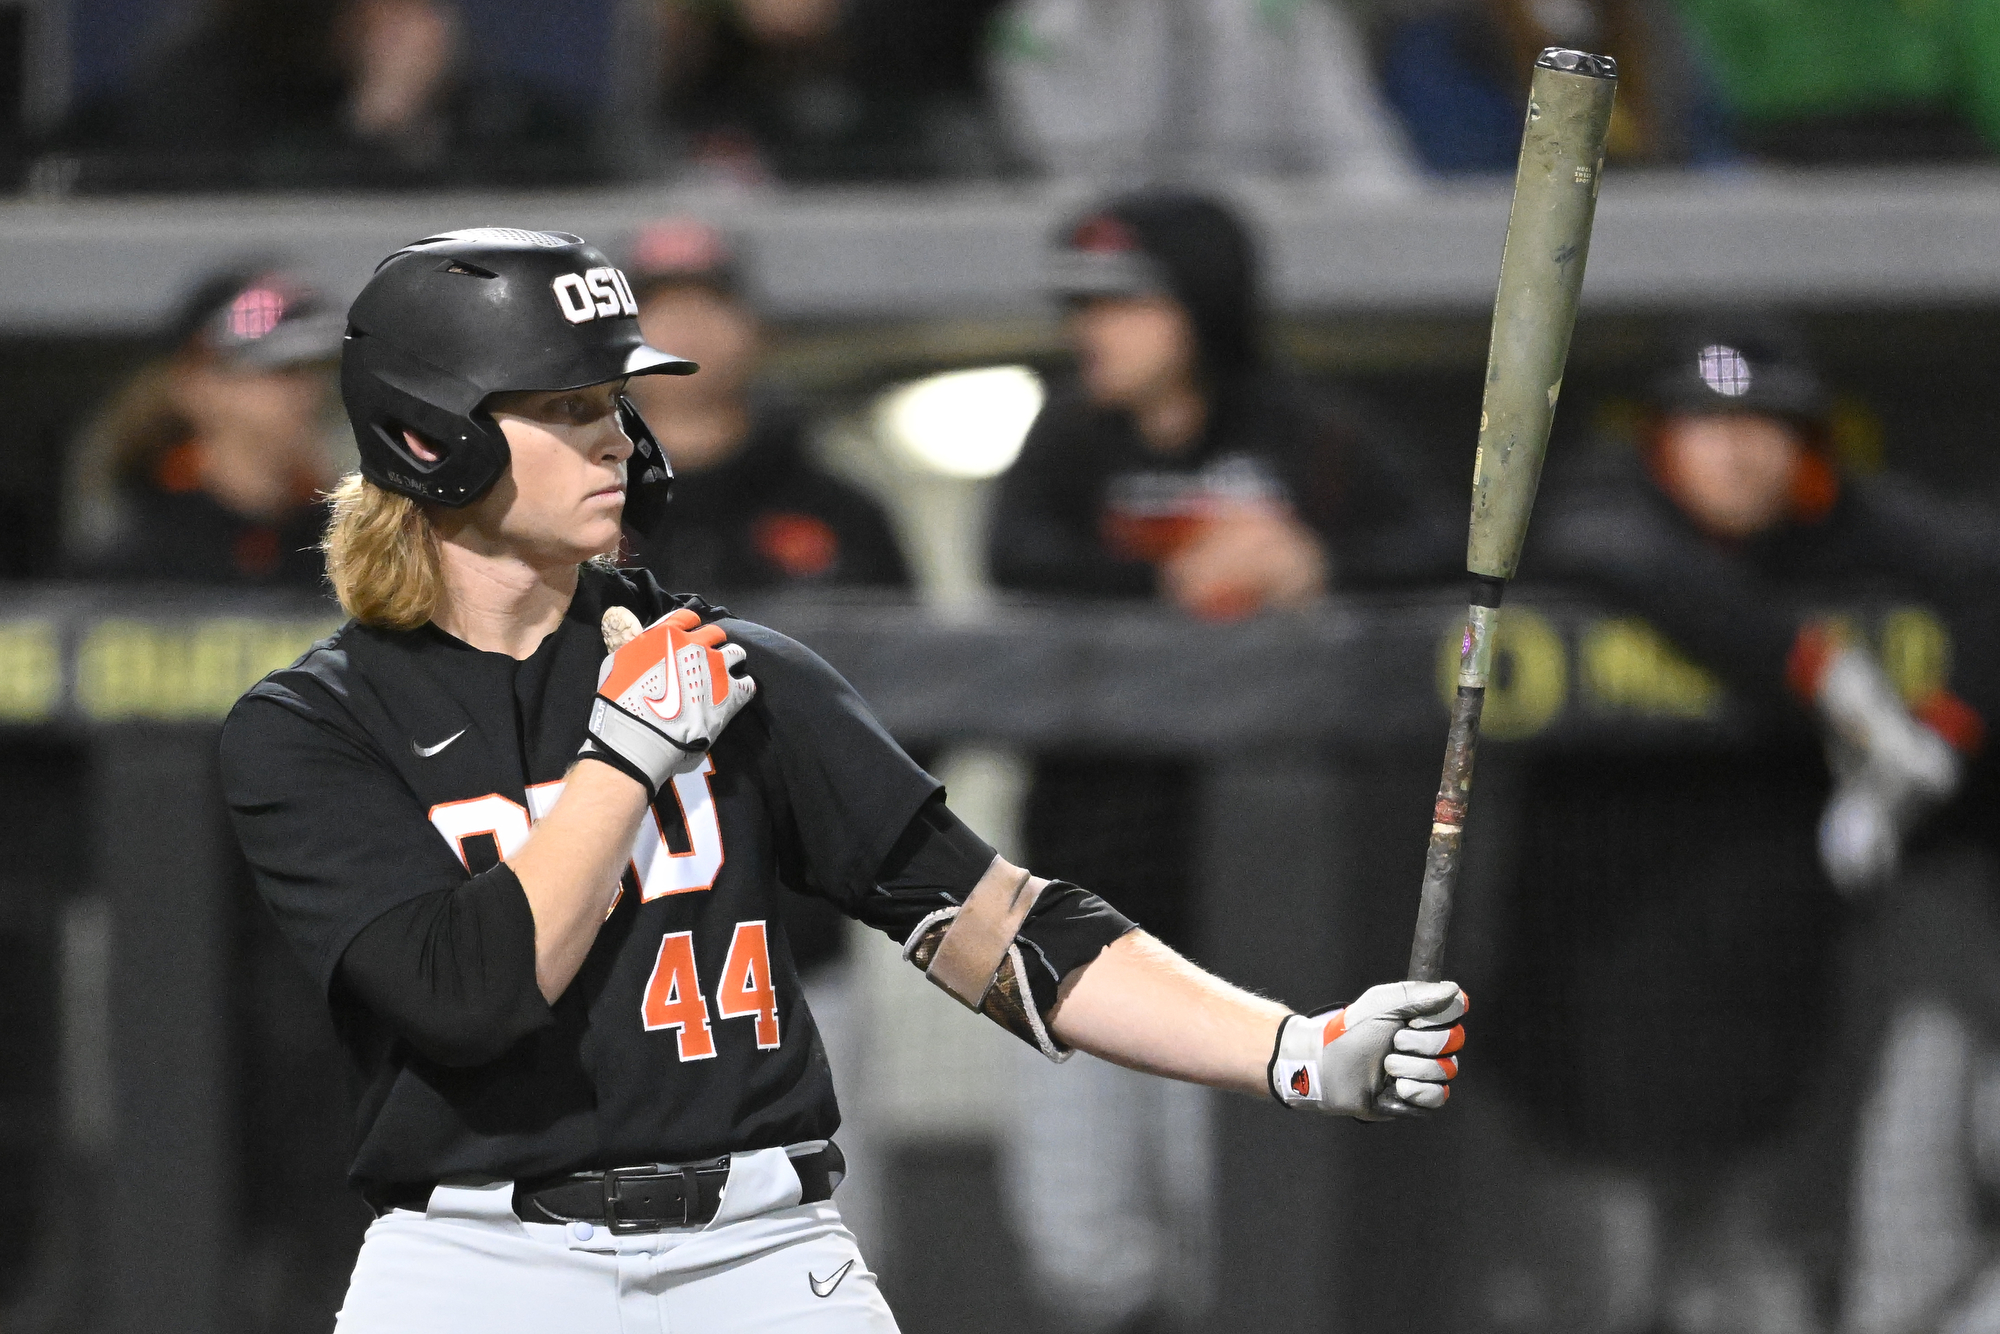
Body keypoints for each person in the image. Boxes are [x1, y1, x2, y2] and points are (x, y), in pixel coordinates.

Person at [216, 228, 1469, 1332]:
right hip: (476, 1266)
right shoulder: (312, 726)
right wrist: (625, 759)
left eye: (614, 400)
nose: (617, 436)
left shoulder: (735, 669)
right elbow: (469, 996)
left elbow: (999, 927)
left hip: (757, 1255)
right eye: (566, 406)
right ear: (432, 435)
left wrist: (1295, 1047)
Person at [1465, 323, 1998, 1333]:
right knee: (1594, 1292)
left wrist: (1930, 739)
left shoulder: (1831, 525)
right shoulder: (1598, 509)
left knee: (1758, 1292)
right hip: (1588, 1004)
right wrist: (1824, 674)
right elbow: (1609, 548)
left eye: (1765, 425)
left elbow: (1983, 574)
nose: (1737, 449)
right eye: (1706, 423)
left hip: (1768, 1015)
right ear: (1658, 436)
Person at [985, 188, 1453, 1332]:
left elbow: (1442, 544)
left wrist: (1315, 561)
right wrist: (1170, 580)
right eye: (1082, 305)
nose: (1092, 328)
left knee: (1229, 1226)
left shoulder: (1309, 436)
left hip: (1260, 910)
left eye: (1123, 302)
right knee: (1080, 1243)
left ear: (1199, 308)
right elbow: (1013, 559)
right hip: (1081, 901)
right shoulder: (1066, 439)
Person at [620, 218, 911, 599]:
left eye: (710, 303)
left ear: (755, 329)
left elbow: (895, 647)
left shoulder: (839, 511)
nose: (686, 326)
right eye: (660, 306)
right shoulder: (574, 508)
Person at [54, 0, 594, 191]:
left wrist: (416, 118)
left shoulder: (484, 99)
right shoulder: (206, 77)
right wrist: (377, 121)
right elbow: (261, 208)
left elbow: (583, 164)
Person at [64, 266, 345, 586]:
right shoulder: (132, 566)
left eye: (315, 369)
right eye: (278, 369)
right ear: (194, 384)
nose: (304, 392)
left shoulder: (347, 552)